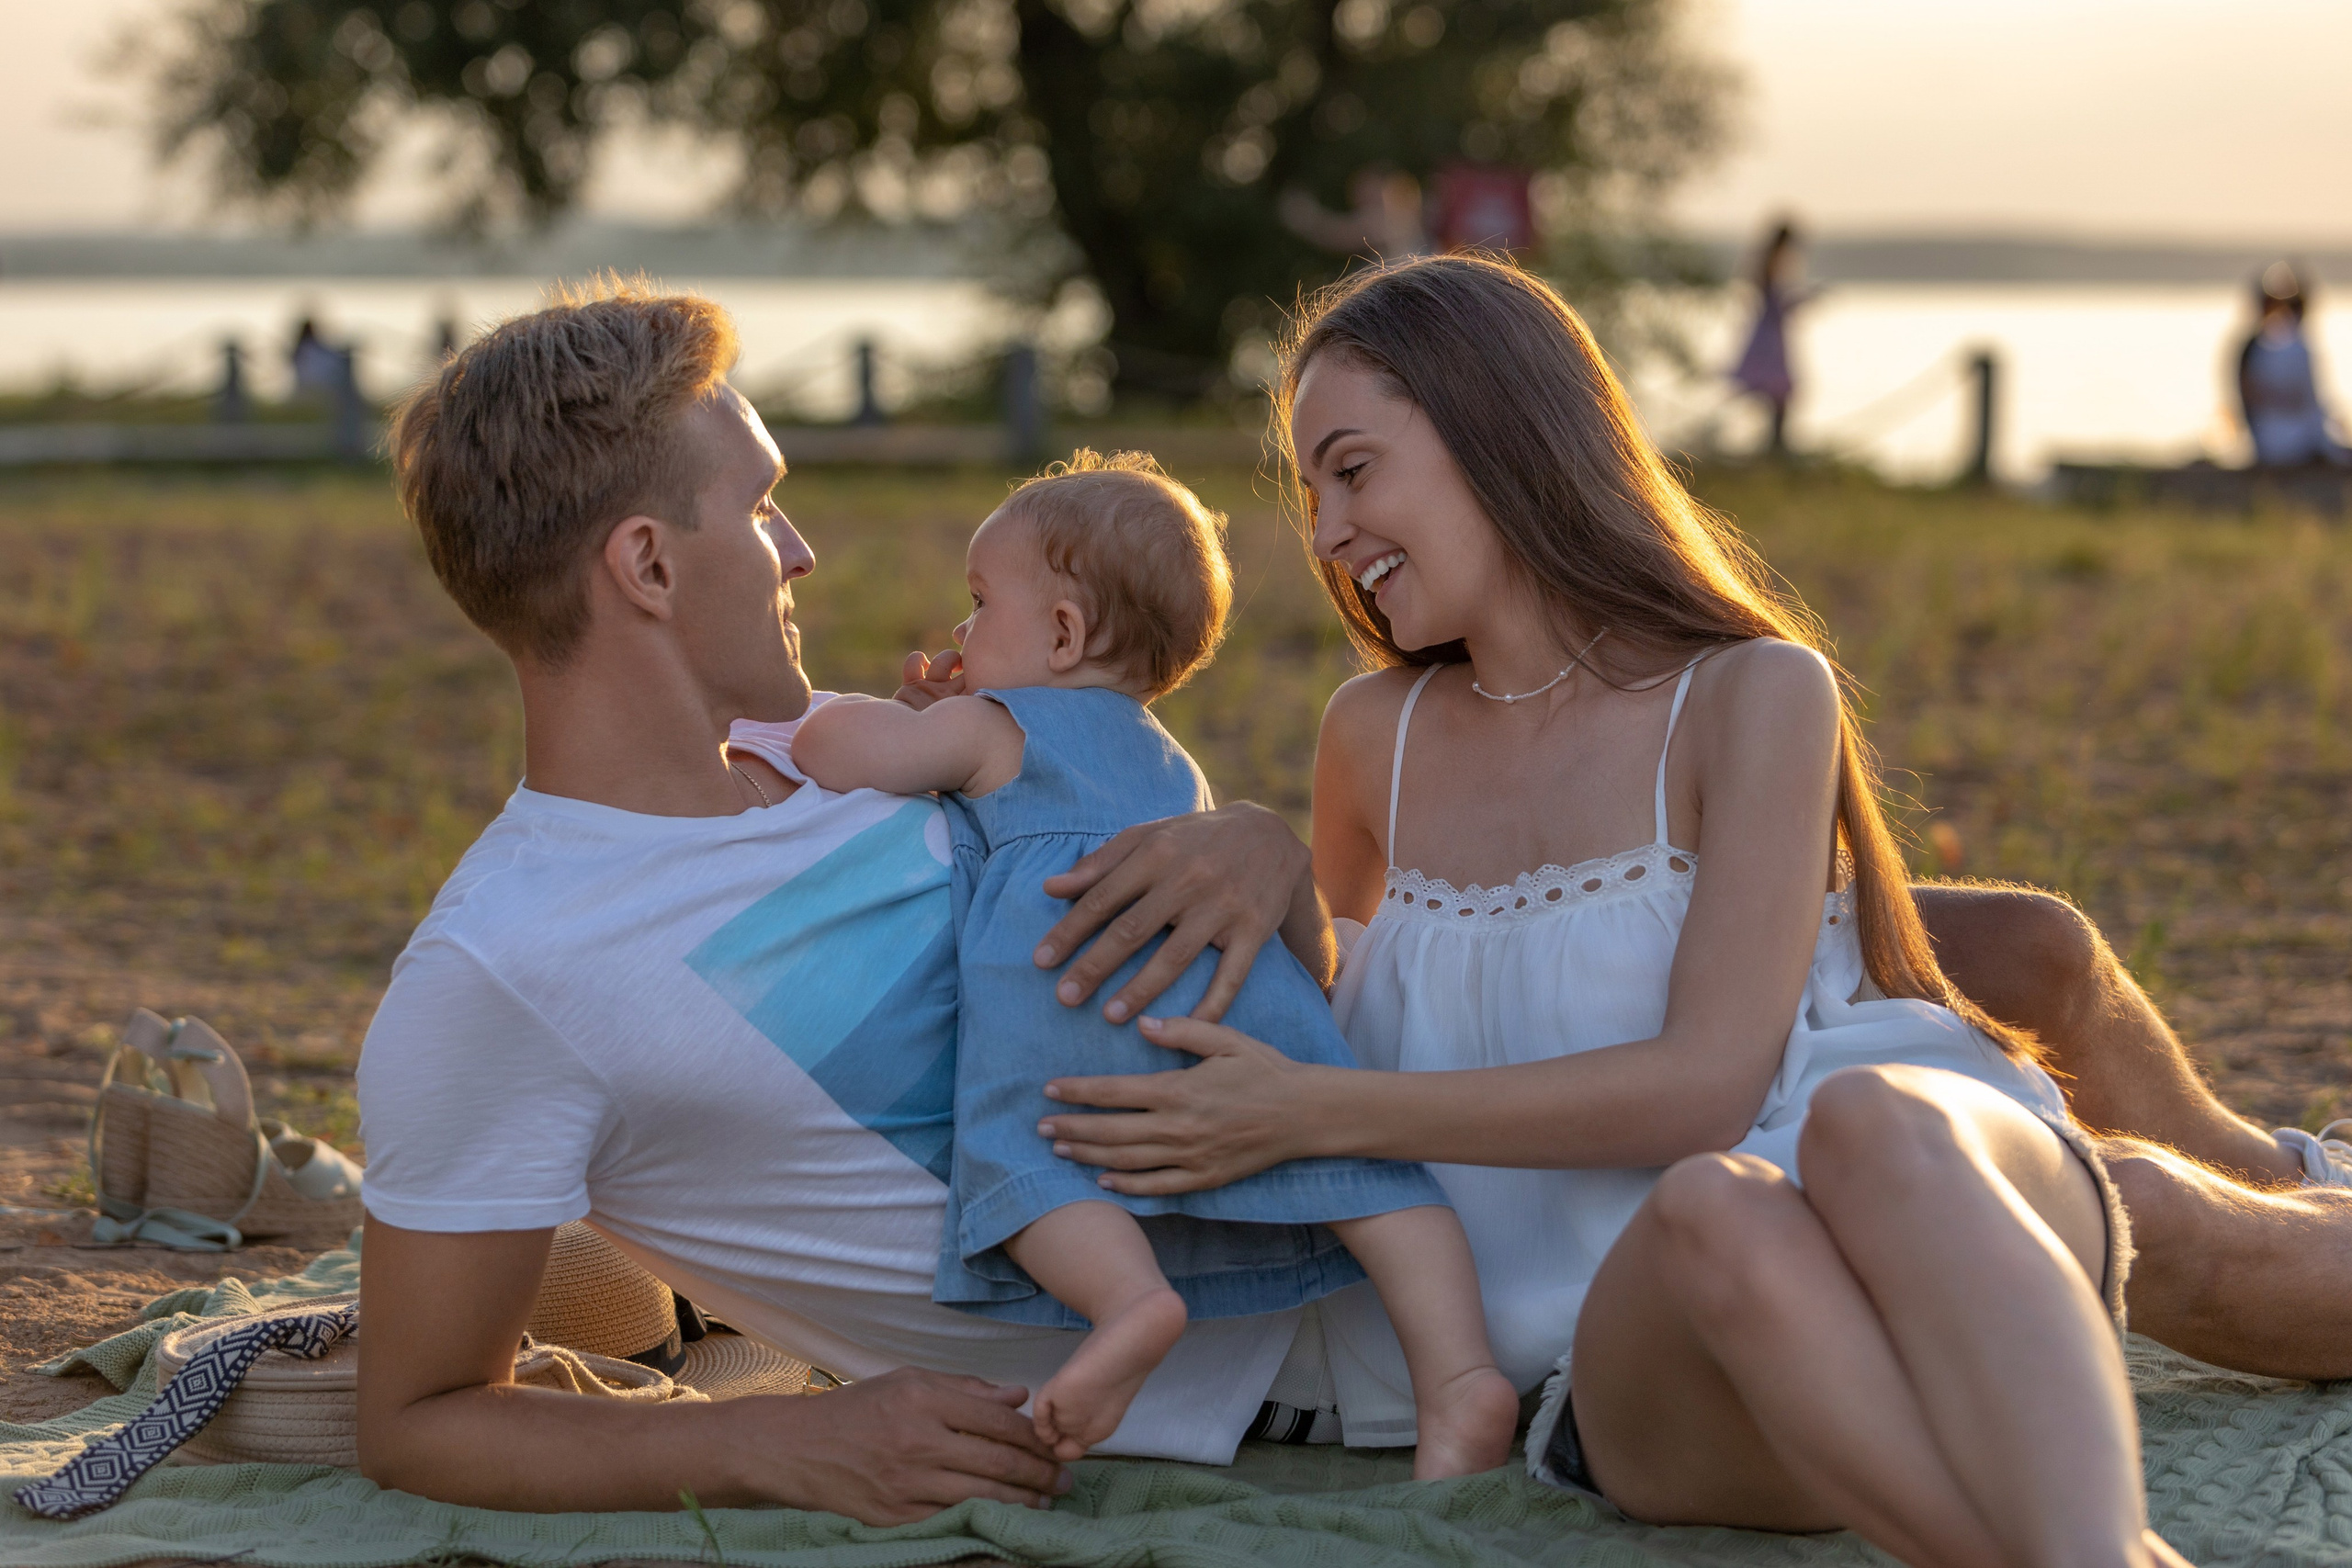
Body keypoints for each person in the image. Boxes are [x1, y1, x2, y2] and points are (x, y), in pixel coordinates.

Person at [1034, 254, 2192, 1566]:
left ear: (1498, 430)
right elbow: (1314, 996)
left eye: (1353, 471)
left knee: (1871, 1118)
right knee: (1709, 1213)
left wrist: (1322, 1110)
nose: (1328, 533)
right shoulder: (1372, 735)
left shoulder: (1757, 690)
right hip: (1645, 1337)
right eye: (1311, 495)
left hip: (1890, 1196)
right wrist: (1204, 821)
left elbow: (1708, 1085)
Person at [353, 280, 1390, 1521]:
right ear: (647, 565)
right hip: (1327, 1335)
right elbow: (418, 1418)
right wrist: (772, 1438)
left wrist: (1253, 844)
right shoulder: (505, 966)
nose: (799, 550)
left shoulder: (866, 750)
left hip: (1392, 1134)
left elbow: (1119, 839)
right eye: (761, 506)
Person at [789, 453, 1514, 1473]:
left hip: (1068, 996)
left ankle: (1131, 1303)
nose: (959, 630)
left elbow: (835, 754)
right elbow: (1302, 942)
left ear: (1062, 634)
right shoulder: (1173, 760)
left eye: (979, 603)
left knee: (1038, 1170)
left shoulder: (998, 725)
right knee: (1369, 1176)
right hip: (1231, 1001)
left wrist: (885, 713)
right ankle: (1460, 1375)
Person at [2236, 262, 2349, 468]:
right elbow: (2300, 400)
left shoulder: (2270, 345)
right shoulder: (2277, 348)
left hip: (2268, 436)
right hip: (2275, 439)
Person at [1729, 220, 1812, 457]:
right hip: (1770, 341)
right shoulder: (1772, 263)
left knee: (1776, 394)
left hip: (1768, 335)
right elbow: (1777, 303)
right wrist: (1804, 300)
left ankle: (1775, 446)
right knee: (1777, 391)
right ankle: (1776, 448)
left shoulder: (1766, 262)